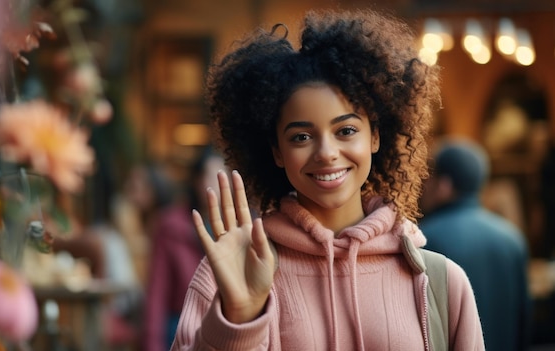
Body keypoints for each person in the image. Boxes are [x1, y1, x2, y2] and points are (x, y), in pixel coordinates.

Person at [171, 8, 484, 351]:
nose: (326, 152)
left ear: (375, 136)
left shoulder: (440, 284)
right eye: (301, 137)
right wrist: (239, 320)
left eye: (346, 130)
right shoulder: (233, 274)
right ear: (276, 151)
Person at [419, 138, 532, 351]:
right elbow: (523, 321)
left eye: (429, 178)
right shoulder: (512, 238)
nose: (424, 186)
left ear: (445, 185)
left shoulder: (425, 239)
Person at [142, 148, 226, 351]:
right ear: (196, 180)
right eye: (208, 176)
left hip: (226, 327)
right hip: (181, 326)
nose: (213, 185)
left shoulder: (239, 228)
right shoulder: (171, 226)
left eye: (220, 177)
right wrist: (152, 343)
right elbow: (157, 291)